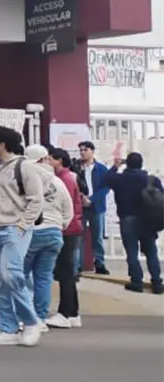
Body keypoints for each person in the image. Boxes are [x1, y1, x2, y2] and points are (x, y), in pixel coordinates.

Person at [0, 125, 45, 347]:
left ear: (2, 143)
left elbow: (36, 199)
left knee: (12, 275)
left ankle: (30, 322)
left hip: (13, 229)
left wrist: (23, 225)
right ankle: (8, 328)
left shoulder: (24, 167)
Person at [22, 145, 72, 332]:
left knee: (21, 276)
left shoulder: (27, 180)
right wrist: (59, 226)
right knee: (44, 278)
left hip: (31, 232)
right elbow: (69, 211)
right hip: (54, 233)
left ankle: (25, 318)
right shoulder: (58, 182)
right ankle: (40, 318)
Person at [107, 152, 161, 294]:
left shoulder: (120, 179)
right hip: (148, 221)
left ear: (127, 164)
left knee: (132, 252)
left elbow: (106, 179)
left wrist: (115, 166)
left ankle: (136, 281)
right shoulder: (152, 180)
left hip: (127, 219)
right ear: (141, 163)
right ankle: (156, 282)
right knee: (151, 252)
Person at [45, 146, 84, 329]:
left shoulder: (64, 180)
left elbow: (65, 206)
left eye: (50, 159)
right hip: (71, 228)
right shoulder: (67, 178)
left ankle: (65, 312)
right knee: (67, 272)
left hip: (67, 229)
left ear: (59, 160)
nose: (47, 162)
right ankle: (72, 313)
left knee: (65, 272)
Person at [74, 140, 110, 274]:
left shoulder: (101, 169)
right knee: (79, 236)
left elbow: (105, 187)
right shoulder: (76, 167)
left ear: (92, 151)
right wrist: (81, 198)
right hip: (80, 206)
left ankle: (99, 263)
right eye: (81, 150)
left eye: (85, 150)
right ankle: (77, 264)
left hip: (96, 206)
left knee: (97, 236)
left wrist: (92, 199)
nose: (82, 153)